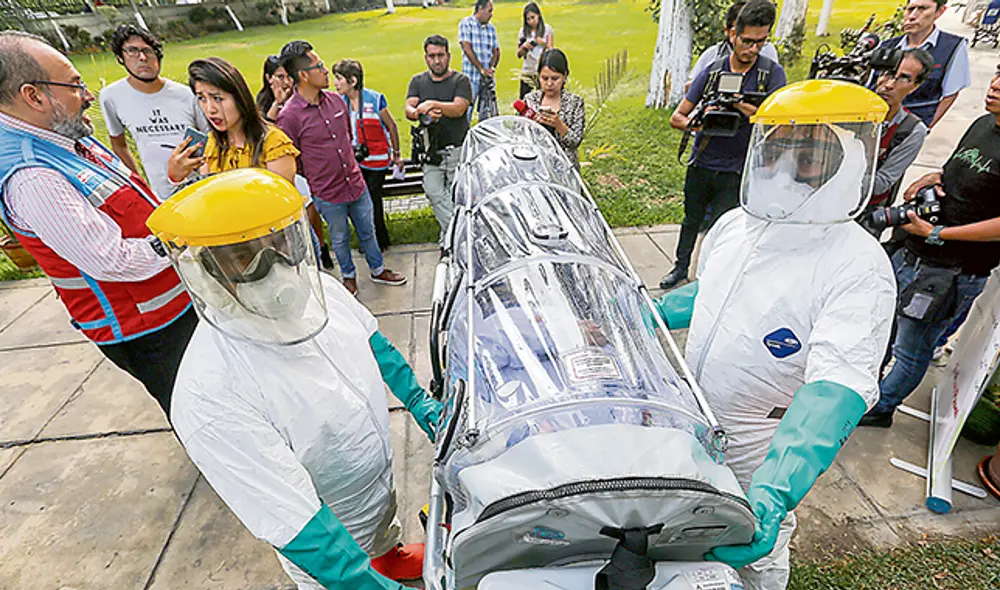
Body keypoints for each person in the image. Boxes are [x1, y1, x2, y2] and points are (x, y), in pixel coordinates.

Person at [652, 80, 896, 589]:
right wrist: (650, 310)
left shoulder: (858, 265)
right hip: (692, 417)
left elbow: (836, 386)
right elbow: (714, 292)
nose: (784, 168)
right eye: (777, 150)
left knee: (755, 557)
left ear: (846, 164)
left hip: (761, 446)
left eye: (807, 158)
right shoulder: (736, 225)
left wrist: (774, 490)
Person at [147, 168, 441, 589]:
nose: (274, 265)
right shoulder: (209, 393)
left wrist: (420, 402)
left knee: (379, 520)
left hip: (372, 480)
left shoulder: (322, 292)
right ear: (205, 270)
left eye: (280, 243)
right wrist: (363, 584)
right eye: (245, 255)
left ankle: (387, 556)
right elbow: (296, 523)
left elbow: (372, 342)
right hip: (326, 534)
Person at [0, 32, 196, 417]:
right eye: (74, 85)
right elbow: (111, 259)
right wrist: (185, 237)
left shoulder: (64, 135)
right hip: (149, 330)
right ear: (34, 96)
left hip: (172, 307)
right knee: (199, 411)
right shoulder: (34, 177)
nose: (88, 94)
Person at [860, 63, 1000, 428]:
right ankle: (865, 390)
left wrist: (938, 233)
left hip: (951, 271)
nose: (996, 85)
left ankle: (881, 408)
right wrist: (930, 178)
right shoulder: (983, 124)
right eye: (998, 73)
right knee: (882, 328)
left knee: (911, 349)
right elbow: (955, 172)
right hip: (913, 250)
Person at [659, 0, 786, 290]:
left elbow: (777, 123)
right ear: (732, 34)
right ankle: (680, 267)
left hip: (738, 168)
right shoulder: (713, 71)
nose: (753, 49)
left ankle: (711, 277)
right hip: (702, 161)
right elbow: (677, 117)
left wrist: (740, 104)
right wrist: (703, 123)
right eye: (747, 41)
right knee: (691, 220)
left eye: (761, 42)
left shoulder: (771, 74)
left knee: (723, 227)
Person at [277, 40, 406, 296]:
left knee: (368, 232)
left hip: (356, 184)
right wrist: (319, 176)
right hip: (327, 193)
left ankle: (378, 269)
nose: (325, 71)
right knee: (340, 239)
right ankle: (349, 277)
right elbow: (294, 160)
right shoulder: (289, 116)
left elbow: (347, 137)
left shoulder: (337, 102)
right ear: (303, 75)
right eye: (319, 66)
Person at [98, 25, 209, 200]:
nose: (142, 58)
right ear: (120, 57)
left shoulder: (187, 94)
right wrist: (140, 187)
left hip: (201, 187)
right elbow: (119, 145)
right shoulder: (111, 97)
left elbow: (211, 139)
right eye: (132, 51)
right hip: (160, 196)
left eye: (148, 51)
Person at [256, 55, 335, 271]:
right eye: (279, 77)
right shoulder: (263, 102)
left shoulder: (299, 96)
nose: (285, 82)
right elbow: (262, 134)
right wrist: (277, 104)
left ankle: (320, 246)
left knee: (311, 210)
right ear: (269, 78)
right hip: (277, 168)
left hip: (300, 165)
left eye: (287, 76)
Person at [859, 47, 934, 235]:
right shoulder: (849, 111)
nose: (889, 84)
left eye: (903, 78)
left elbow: (881, 183)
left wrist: (833, 174)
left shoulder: (912, 130)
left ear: (915, 86)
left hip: (865, 209)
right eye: (887, 74)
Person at [406, 35, 472, 242]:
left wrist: (433, 105)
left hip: (457, 150)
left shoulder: (460, 80)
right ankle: (461, 236)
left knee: (458, 197)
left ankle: (448, 239)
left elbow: (459, 108)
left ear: (448, 56)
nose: (437, 60)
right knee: (434, 192)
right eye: (432, 56)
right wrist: (421, 112)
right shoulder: (418, 81)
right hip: (430, 151)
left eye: (440, 55)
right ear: (426, 57)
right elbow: (409, 109)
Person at [333, 59, 404, 252]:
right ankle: (370, 240)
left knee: (372, 200)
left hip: (377, 161)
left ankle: (378, 240)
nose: (335, 83)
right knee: (359, 202)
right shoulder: (340, 103)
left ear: (353, 80)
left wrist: (397, 154)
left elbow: (391, 126)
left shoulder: (374, 99)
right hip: (355, 161)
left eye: (339, 78)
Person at [876, 0, 971, 129]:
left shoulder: (952, 47)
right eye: (910, 9)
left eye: (922, 9)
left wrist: (926, 128)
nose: (912, 16)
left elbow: (950, 94)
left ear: (939, 11)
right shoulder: (887, 46)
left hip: (912, 125)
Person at [688, 1, 780, 87]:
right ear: (728, 31)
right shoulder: (712, 55)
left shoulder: (767, 50)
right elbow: (690, 86)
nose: (753, 49)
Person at [523, 49, 584, 169]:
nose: (549, 84)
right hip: (536, 167)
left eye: (555, 78)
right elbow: (519, 137)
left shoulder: (575, 103)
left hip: (565, 169)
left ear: (565, 76)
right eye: (544, 78)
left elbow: (575, 142)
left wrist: (559, 125)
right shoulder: (530, 100)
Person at [459, 0, 500, 122]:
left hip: (487, 79)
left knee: (486, 113)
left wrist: (491, 68)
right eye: (489, 11)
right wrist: (481, 69)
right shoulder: (466, 23)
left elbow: (496, 51)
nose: (491, 14)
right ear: (480, 9)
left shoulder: (491, 28)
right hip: (471, 77)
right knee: (467, 110)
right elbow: (466, 47)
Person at [516, 2, 554, 99]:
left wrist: (543, 43)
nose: (531, 21)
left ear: (538, 15)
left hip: (542, 70)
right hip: (528, 70)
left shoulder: (547, 29)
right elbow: (519, 54)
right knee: (524, 99)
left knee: (542, 98)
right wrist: (524, 47)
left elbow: (551, 51)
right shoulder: (523, 32)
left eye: (533, 17)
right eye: (528, 19)